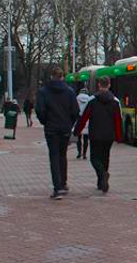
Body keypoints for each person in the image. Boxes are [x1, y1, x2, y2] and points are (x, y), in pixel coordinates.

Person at [36, 67, 79, 200]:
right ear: (62, 77)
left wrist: (46, 122)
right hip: (65, 128)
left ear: (51, 77)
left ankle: (57, 187)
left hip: (51, 129)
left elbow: (40, 110)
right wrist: (69, 124)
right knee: (62, 155)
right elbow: (75, 111)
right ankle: (64, 182)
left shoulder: (43, 92)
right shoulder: (70, 92)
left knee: (54, 156)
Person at [75, 77, 122, 193]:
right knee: (105, 157)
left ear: (99, 85)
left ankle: (103, 175)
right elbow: (118, 120)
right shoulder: (115, 102)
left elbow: (83, 117)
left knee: (94, 158)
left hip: (95, 134)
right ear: (109, 85)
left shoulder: (92, 101)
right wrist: (119, 136)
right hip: (109, 135)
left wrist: (77, 131)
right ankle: (101, 182)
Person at [75, 88, 93, 159]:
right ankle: (85, 154)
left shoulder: (77, 98)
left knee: (78, 138)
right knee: (86, 139)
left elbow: (74, 109)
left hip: (79, 119)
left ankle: (79, 152)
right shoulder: (89, 99)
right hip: (87, 120)